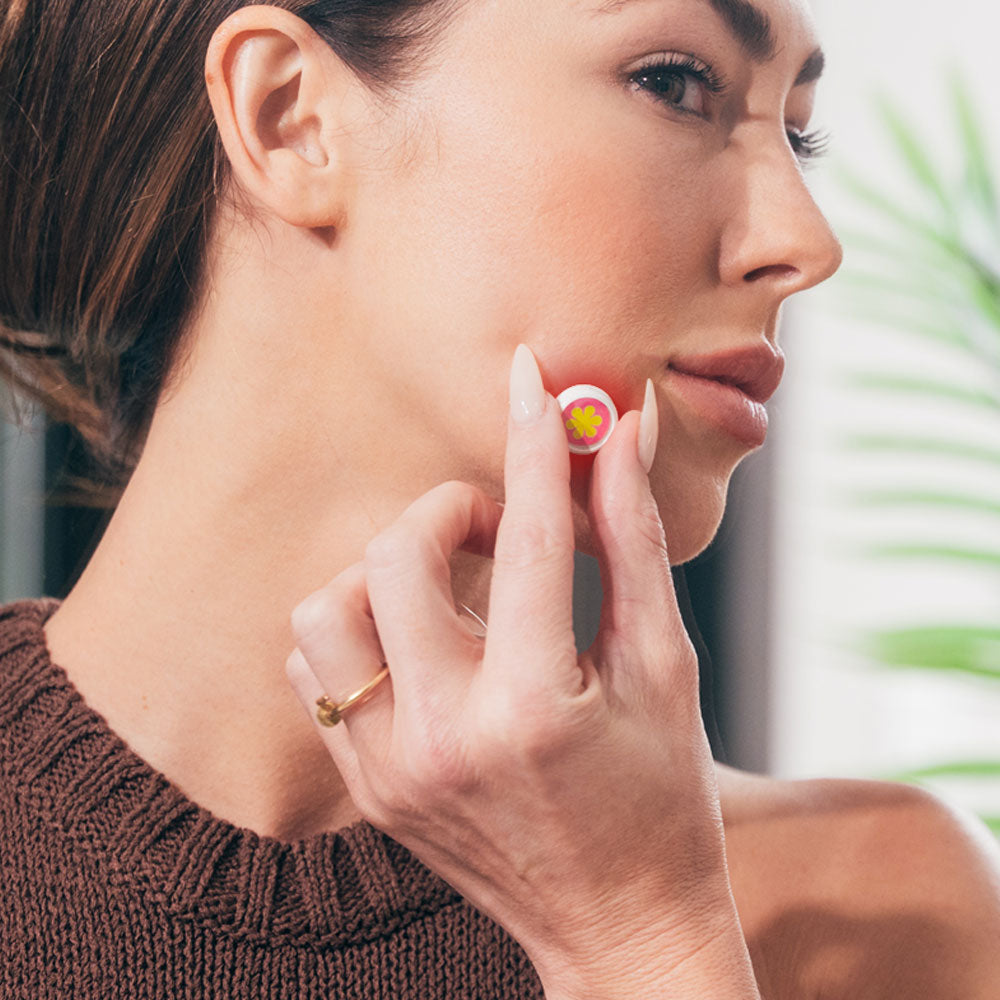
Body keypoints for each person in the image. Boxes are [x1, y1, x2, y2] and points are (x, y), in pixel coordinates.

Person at [1, 0, 999, 996]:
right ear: (289, 117)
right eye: (675, 84)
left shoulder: (876, 912)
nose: (805, 243)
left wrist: (641, 938)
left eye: (796, 131)